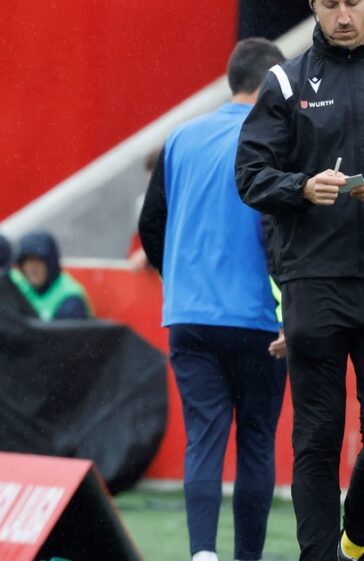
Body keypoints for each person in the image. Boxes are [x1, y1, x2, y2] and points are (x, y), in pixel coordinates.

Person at [139, 38, 288, 561]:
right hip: (257, 318)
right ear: (273, 82)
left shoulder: (181, 137)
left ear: (233, 79)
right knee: (255, 441)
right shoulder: (276, 139)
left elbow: (149, 223)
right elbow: (282, 229)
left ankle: (202, 552)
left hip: (190, 315)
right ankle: (247, 556)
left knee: (204, 436)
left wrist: (175, 277)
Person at [236, 2, 364, 560]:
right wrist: (302, 188)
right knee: (317, 435)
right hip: (314, 279)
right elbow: (249, 174)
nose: (343, 15)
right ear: (313, 5)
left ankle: (355, 536)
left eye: (354, 2)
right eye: (331, 2)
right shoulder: (285, 80)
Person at [9, 230, 92, 320]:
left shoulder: (70, 299)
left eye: (37, 261)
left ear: (50, 262)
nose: (31, 268)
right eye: (24, 262)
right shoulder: (18, 282)